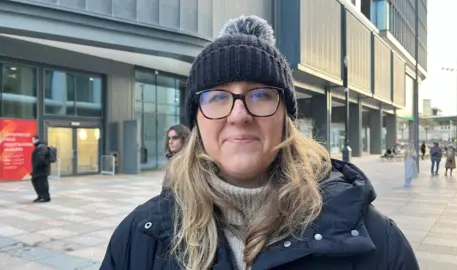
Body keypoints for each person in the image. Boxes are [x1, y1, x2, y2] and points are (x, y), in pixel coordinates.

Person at [100, 15, 418, 270]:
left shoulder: (377, 244)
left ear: (285, 118)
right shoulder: (139, 238)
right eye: (218, 97)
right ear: (196, 119)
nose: (239, 114)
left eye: (261, 95)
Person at [31, 135, 51, 203]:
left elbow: (40, 159)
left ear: (37, 140)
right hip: (39, 170)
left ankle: (46, 197)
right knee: (37, 183)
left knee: (42, 183)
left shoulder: (41, 148)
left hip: (40, 170)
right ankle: (41, 196)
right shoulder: (40, 147)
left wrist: (36, 167)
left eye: (33, 140)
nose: (32, 141)